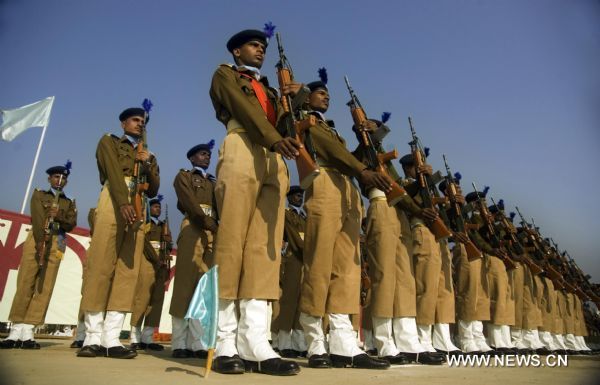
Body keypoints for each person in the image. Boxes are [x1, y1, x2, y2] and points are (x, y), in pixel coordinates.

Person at [208, 25, 304, 376]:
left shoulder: (270, 89)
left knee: (265, 248)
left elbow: (288, 126)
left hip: (272, 157)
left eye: (262, 46)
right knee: (232, 241)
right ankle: (224, 342)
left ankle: (256, 342)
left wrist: (295, 98)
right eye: (253, 45)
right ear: (237, 52)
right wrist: (274, 138)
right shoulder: (225, 75)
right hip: (243, 145)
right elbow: (244, 111)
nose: (260, 50)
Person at [297, 72, 391, 370]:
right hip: (324, 182)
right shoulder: (305, 121)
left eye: (328, 94)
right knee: (320, 264)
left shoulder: (331, 128)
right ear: (307, 97)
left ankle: (342, 341)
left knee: (347, 269)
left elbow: (350, 156)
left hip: (347, 189)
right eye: (320, 93)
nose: (326, 97)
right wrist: (361, 169)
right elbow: (332, 152)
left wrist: (368, 135)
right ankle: (314, 340)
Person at [352, 119, 444, 365]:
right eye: (370, 127)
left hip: (399, 214)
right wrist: (361, 135)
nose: (376, 130)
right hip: (381, 206)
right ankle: (383, 341)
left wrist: (423, 181)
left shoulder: (385, 161)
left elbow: (400, 191)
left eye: (377, 128)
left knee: (405, 280)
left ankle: (407, 340)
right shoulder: (364, 153)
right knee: (384, 276)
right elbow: (359, 169)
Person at [78, 106, 160, 359]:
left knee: (127, 271)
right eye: (135, 120)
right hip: (115, 199)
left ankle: (112, 337)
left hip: (138, 204)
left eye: (143, 121)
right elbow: (112, 172)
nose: (140, 124)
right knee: (101, 264)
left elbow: (154, 188)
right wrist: (124, 202)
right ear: (124, 123)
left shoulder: (148, 154)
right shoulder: (109, 142)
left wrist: (148, 164)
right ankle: (91, 337)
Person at [1, 162, 77, 349]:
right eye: (57, 177)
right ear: (49, 179)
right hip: (37, 238)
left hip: (57, 242)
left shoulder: (69, 202)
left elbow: (70, 224)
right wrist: (40, 242)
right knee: (26, 282)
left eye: (64, 178)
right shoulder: (39, 194)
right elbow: (37, 217)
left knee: (45, 286)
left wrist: (59, 215)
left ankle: (28, 330)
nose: (60, 180)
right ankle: (15, 329)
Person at [399, 154, 460, 356]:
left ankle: (442, 338)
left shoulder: (429, 187)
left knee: (443, 290)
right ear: (409, 169)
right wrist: (421, 181)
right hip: (422, 230)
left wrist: (452, 204)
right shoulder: (406, 183)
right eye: (417, 165)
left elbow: (444, 216)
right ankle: (422, 337)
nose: (422, 167)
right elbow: (404, 199)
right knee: (426, 287)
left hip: (439, 236)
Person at [169, 142, 217, 358]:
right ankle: (179, 342)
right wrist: (205, 220)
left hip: (213, 231)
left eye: (208, 154)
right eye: (201, 154)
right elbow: (187, 200)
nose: (206, 157)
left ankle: (196, 342)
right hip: (194, 227)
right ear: (192, 158)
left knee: (203, 288)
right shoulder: (185, 176)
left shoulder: (215, 182)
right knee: (184, 285)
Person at [129, 195, 171, 351]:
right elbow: (144, 243)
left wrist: (168, 239)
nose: (158, 209)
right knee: (142, 298)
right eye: (155, 207)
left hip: (160, 265)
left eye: (159, 207)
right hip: (148, 262)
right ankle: (135, 337)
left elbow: (167, 246)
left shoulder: (162, 226)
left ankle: (148, 338)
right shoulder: (145, 224)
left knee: (156, 302)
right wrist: (155, 259)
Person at [271, 186, 308, 358]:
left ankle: (299, 343)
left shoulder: (304, 216)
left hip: (305, 258)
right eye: (296, 195)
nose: (299, 198)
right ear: (290, 198)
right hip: (294, 256)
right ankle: (284, 342)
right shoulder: (287, 214)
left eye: (301, 196)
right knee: (289, 301)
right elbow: (293, 236)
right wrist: (308, 250)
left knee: (302, 303)